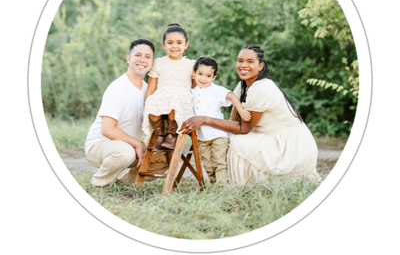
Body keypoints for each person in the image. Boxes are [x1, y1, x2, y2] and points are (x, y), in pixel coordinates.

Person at [181, 45, 320, 185]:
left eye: (250, 61)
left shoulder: (262, 87)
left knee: (236, 142)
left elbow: (244, 128)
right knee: (227, 137)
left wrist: (205, 119)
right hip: (266, 136)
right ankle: (218, 181)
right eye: (240, 60)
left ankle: (236, 184)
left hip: (289, 146)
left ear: (260, 66)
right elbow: (234, 121)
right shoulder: (243, 85)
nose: (243, 65)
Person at [85, 39, 169, 187]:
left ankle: (125, 182)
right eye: (138, 55)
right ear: (129, 59)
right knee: (125, 152)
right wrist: (137, 144)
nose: (142, 60)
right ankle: (98, 184)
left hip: (129, 147)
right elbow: (107, 129)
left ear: (152, 63)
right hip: (100, 146)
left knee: (164, 156)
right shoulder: (117, 88)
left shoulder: (147, 90)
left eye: (147, 57)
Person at [191, 56, 251, 185]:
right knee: (207, 164)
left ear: (213, 78)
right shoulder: (191, 92)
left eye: (208, 76)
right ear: (194, 73)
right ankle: (215, 185)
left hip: (218, 135)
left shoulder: (216, 90)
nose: (203, 78)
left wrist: (240, 110)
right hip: (201, 137)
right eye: (200, 74)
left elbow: (231, 95)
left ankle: (222, 188)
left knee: (219, 162)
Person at [142, 22, 195, 150]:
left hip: (182, 97)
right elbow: (151, 88)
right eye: (170, 43)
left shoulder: (191, 64)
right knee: (151, 100)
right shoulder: (159, 63)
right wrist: (146, 106)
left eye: (179, 42)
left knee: (174, 99)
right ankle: (160, 134)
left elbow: (195, 86)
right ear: (164, 45)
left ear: (186, 45)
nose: (174, 46)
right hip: (161, 95)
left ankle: (171, 134)